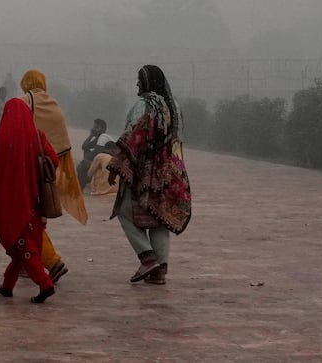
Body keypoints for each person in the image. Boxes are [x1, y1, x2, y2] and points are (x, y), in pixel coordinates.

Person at [107, 64, 192, 285]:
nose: (137, 84)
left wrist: (117, 165)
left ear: (147, 82)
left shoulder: (145, 105)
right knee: (160, 218)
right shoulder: (174, 107)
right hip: (170, 172)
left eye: (139, 80)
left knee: (125, 211)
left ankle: (147, 258)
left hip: (143, 170)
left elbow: (134, 136)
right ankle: (160, 271)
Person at [18, 69, 88, 284]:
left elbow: (16, 135)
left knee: (23, 219)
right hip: (49, 169)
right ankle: (25, 263)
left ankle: (51, 261)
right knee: (36, 217)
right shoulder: (54, 105)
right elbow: (62, 143)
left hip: (27, 170)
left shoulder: (23, 102)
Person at [0, 98, 59, 303]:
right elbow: (53, 159)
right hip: (33, 201)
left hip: (8, 203)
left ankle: (45, 284)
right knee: (21, 245)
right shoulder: (37, 136)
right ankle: (7, 285)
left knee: (23, 246)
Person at [78, 118, 116, 186]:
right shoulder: (98, 138)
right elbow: (84, 147)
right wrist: (91, 135)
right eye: (93, 127)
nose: (93, 129)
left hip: (110, 166)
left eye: (96, 127)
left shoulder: (103, 137)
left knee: (82, 165)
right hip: (104, 164)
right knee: (86, 154)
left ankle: (81, 184)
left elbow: (95, 154)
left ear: (103, 130)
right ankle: (82, 182)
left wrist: (86, 160)